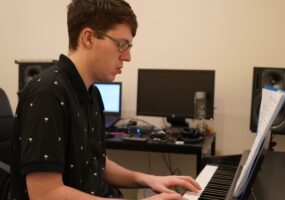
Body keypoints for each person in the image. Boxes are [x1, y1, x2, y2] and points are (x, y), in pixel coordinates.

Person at [10, 0, 201, 199]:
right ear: (88, 38)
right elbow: (45, 194)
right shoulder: (48, 93)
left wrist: (148, 179)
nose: (127, 57)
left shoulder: (92, 93)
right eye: (122, 45)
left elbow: (96, 162)